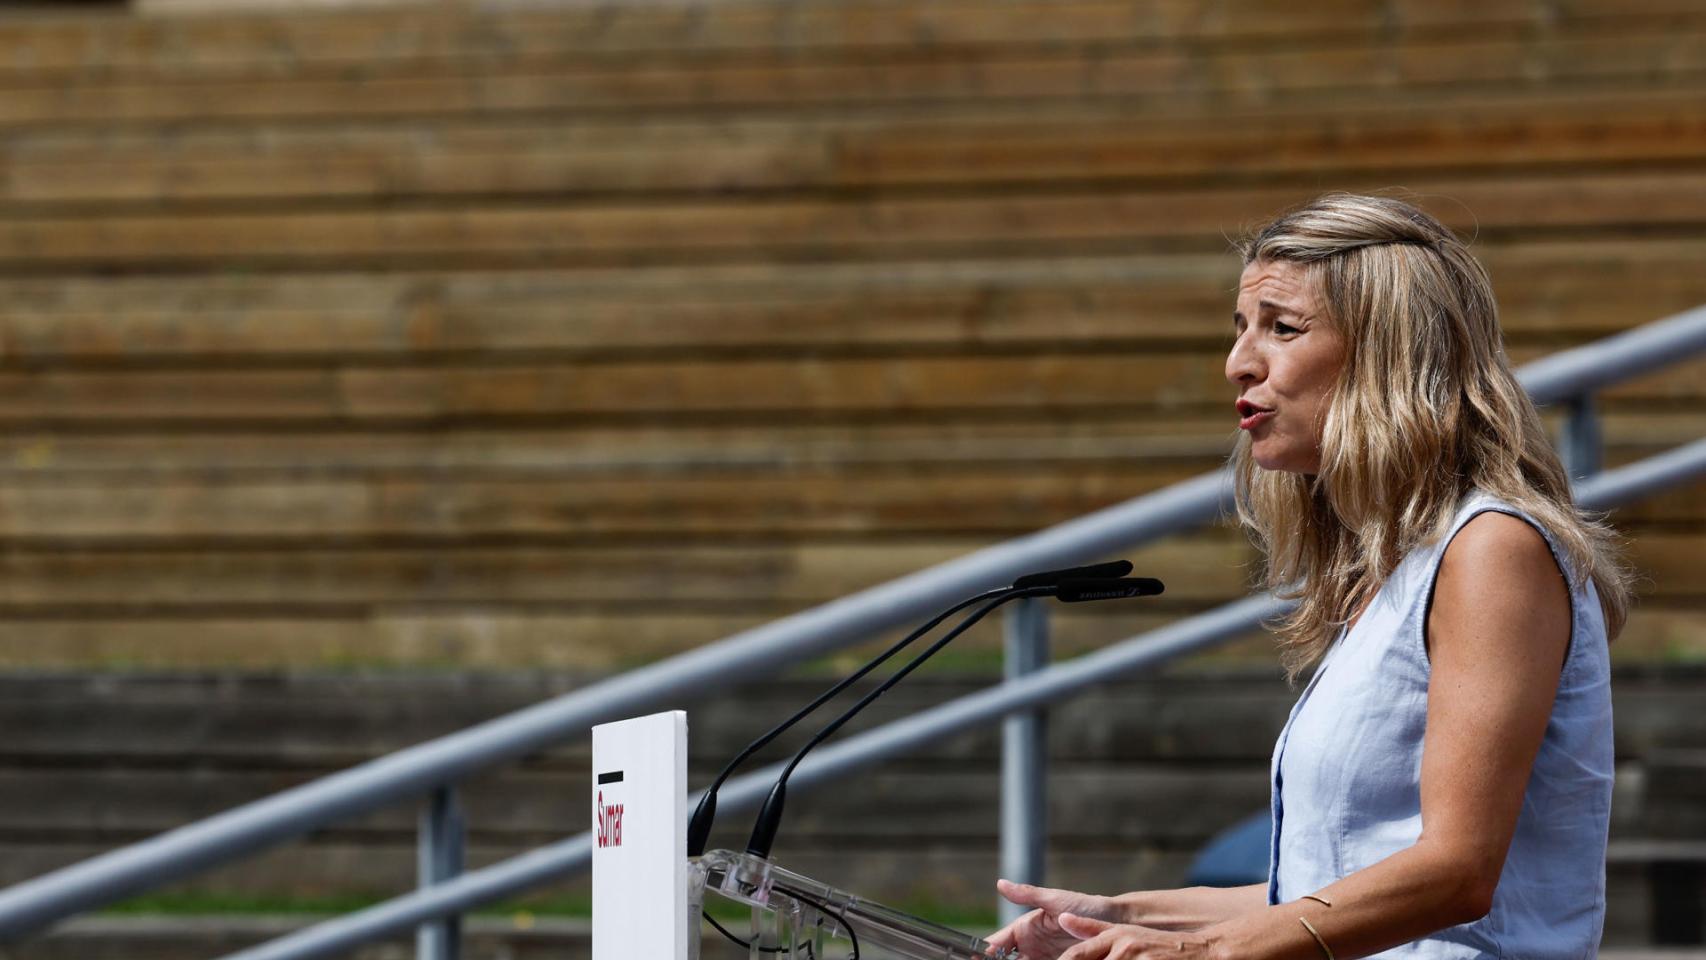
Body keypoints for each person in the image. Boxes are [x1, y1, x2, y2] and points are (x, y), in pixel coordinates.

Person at [987, 194, 1630, 959]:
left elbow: (1457, 873)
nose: (1239, 362)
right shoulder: (1400, 564)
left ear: (1389, 354)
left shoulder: (1494, 549)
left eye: (1282, 328)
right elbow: (1324, 883)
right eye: (1240, 328)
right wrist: (1117, 916)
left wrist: (1206, 954)